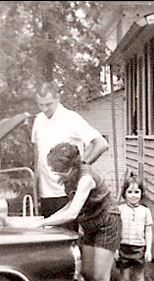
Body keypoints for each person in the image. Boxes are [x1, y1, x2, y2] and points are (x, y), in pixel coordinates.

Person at [31, 142, 121, 281]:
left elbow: (72, 213)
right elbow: (69, 205)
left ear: (71, 167)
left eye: (58, 171)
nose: (56, 175)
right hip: (90, 223)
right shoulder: (72, 178)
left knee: (100, 279)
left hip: (108, 223)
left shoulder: (85, 179)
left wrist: (44, 223)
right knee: (88, 275)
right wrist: (48, 219)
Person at [31, 81, 109, 230]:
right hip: (45, 193)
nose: (44, 109)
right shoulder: (38, 120)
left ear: (58, 98)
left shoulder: (71, 118)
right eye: (40, 105)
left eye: (48, 104)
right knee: (45, 243)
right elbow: (37, 154)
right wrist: (36, 186)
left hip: (66, 193)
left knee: (65, 242)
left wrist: (80, 168)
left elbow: (101, 144)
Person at [115, 175, 153, 281]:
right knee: (124, 279)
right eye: (130, 192)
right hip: (124, 247)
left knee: (139, 279)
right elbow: (116, 231)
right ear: (124, 194)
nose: (133, 195)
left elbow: (148, 231)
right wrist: (115, 248)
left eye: (137, 192)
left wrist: (148, 249)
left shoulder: (145, 211)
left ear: (142, 194)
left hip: (139, 248)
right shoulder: (119, 210)